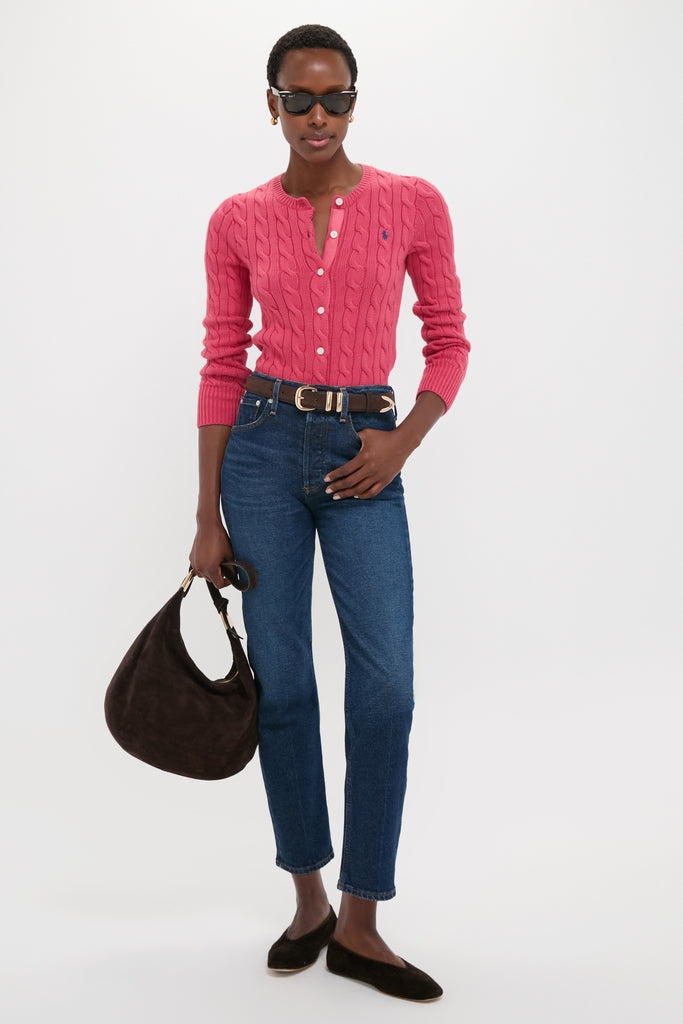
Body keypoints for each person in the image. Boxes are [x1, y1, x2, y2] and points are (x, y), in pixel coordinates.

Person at [189, 24, 469, 1002]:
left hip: (364, 452)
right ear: (270, 104)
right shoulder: (234, 219)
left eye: (335, 98)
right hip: (261, 453)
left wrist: (400, 443)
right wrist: (205, 516)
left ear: (355, 101)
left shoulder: (410, 203)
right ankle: (306, 897)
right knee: (286, 688)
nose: (318, 116)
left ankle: (360, 920)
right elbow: (223, 362)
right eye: (298, 99)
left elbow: (447, 344)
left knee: (384, 686)